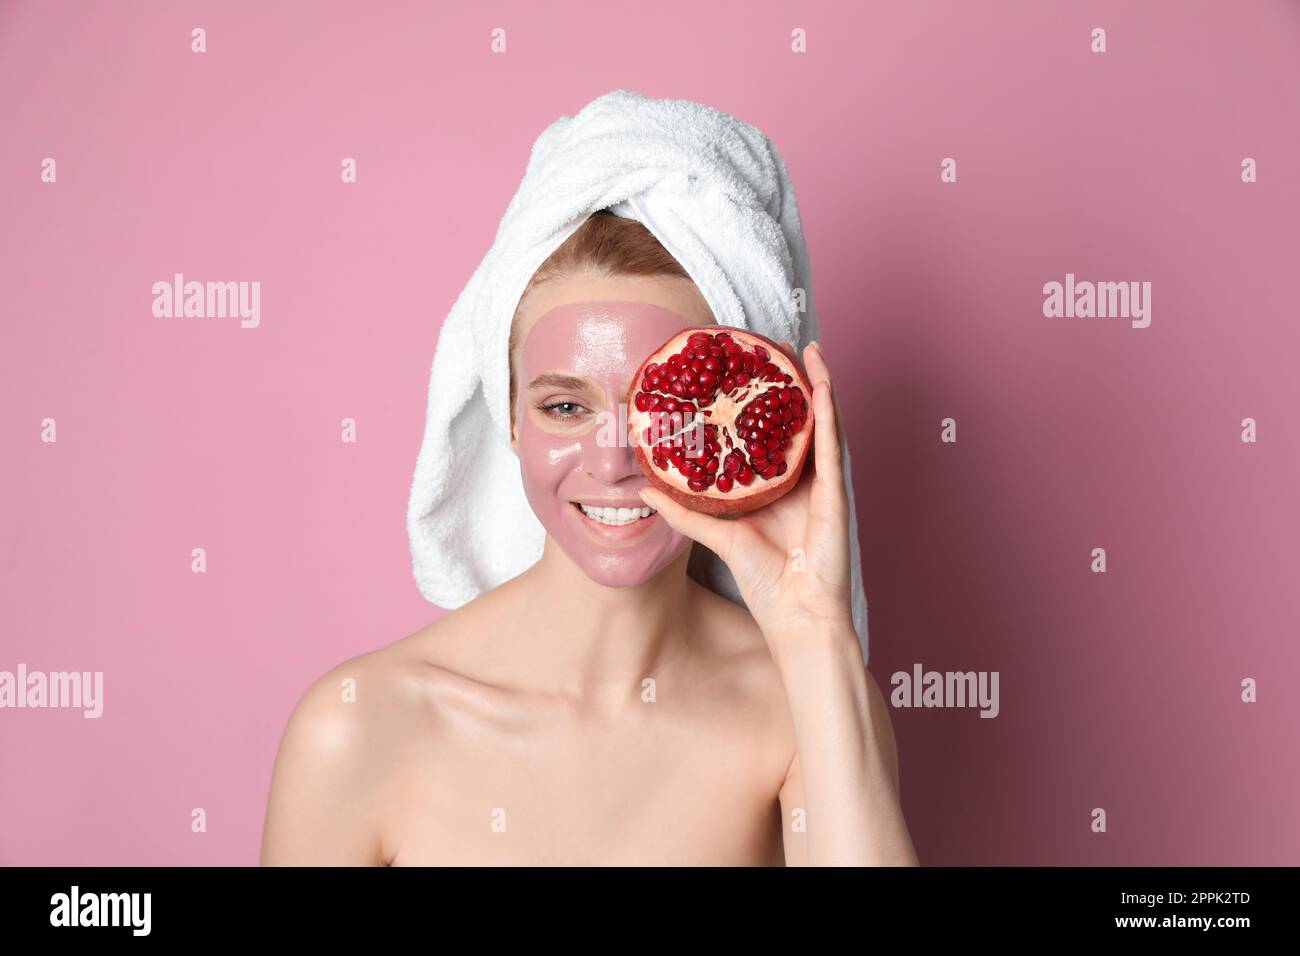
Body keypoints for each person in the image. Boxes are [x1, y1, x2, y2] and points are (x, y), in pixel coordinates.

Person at [260, 211, 919, 866]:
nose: (612, 462)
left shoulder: (807, 704)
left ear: (732, 421)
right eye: (566, 407)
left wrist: (811, 627)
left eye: (669, 411)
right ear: (511, 420)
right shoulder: (357, 726)